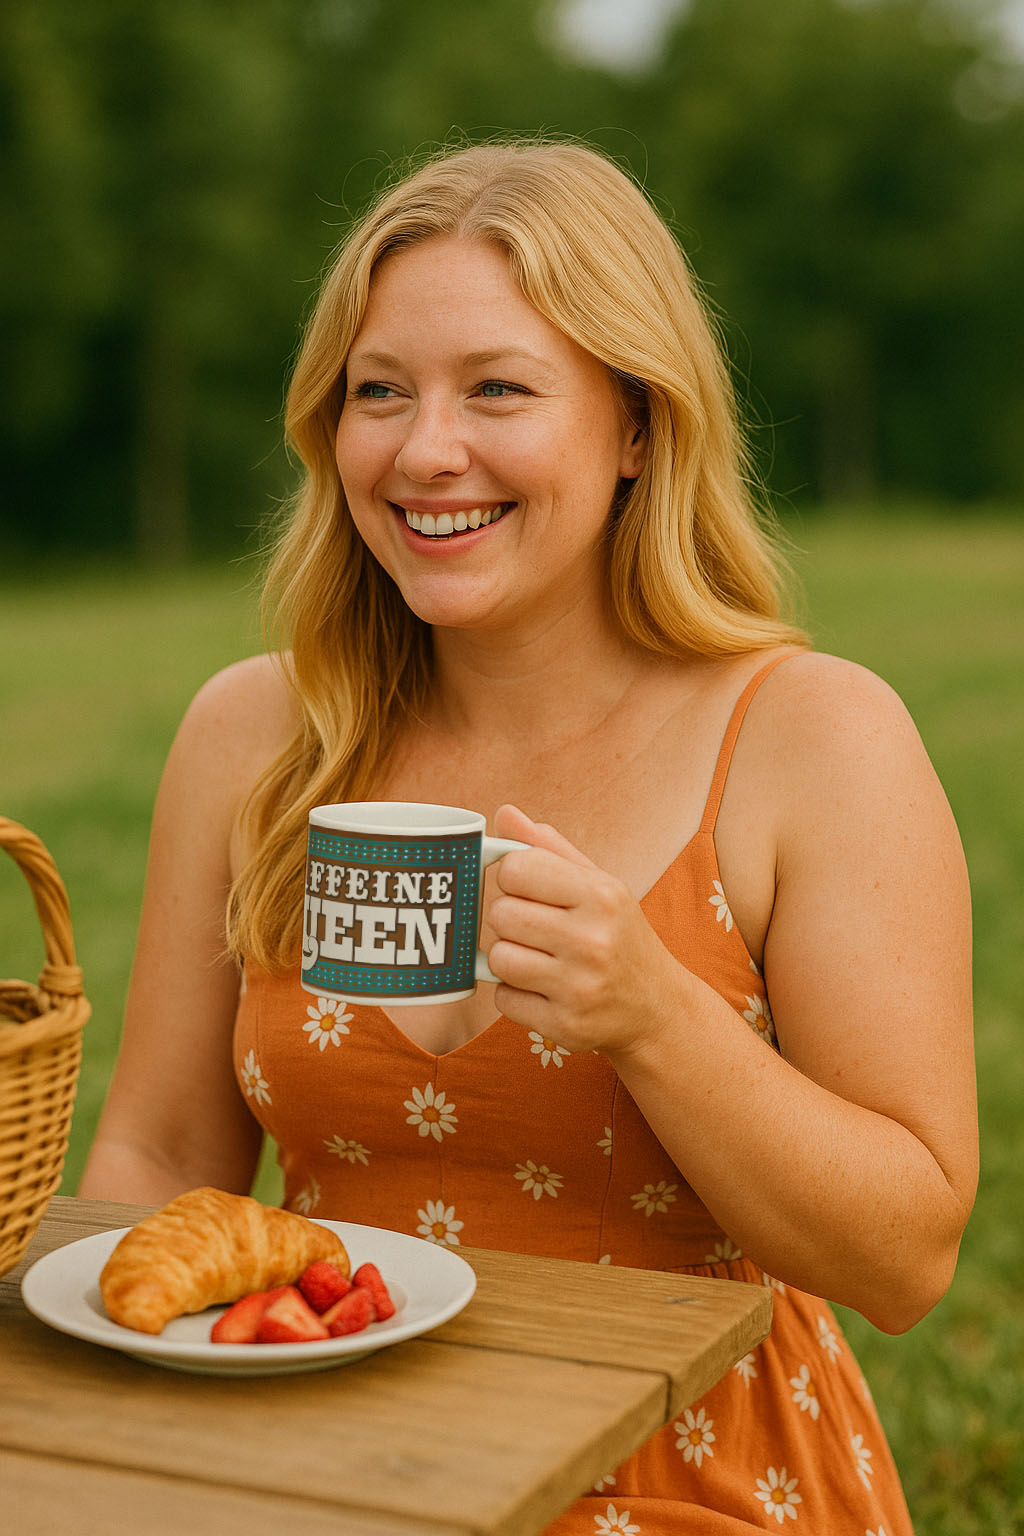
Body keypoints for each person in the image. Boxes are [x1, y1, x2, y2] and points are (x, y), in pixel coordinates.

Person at [81, 139, 976, 1533]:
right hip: (312, 1460)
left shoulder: (814, 737)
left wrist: (653, 1017)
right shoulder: (256, 735)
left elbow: (908, 1255)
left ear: (635, 425)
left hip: (681, 1477)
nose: (425, 449)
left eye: (497, 388)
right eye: (380, 393)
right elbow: (156, 1156)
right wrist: (126, 1395)